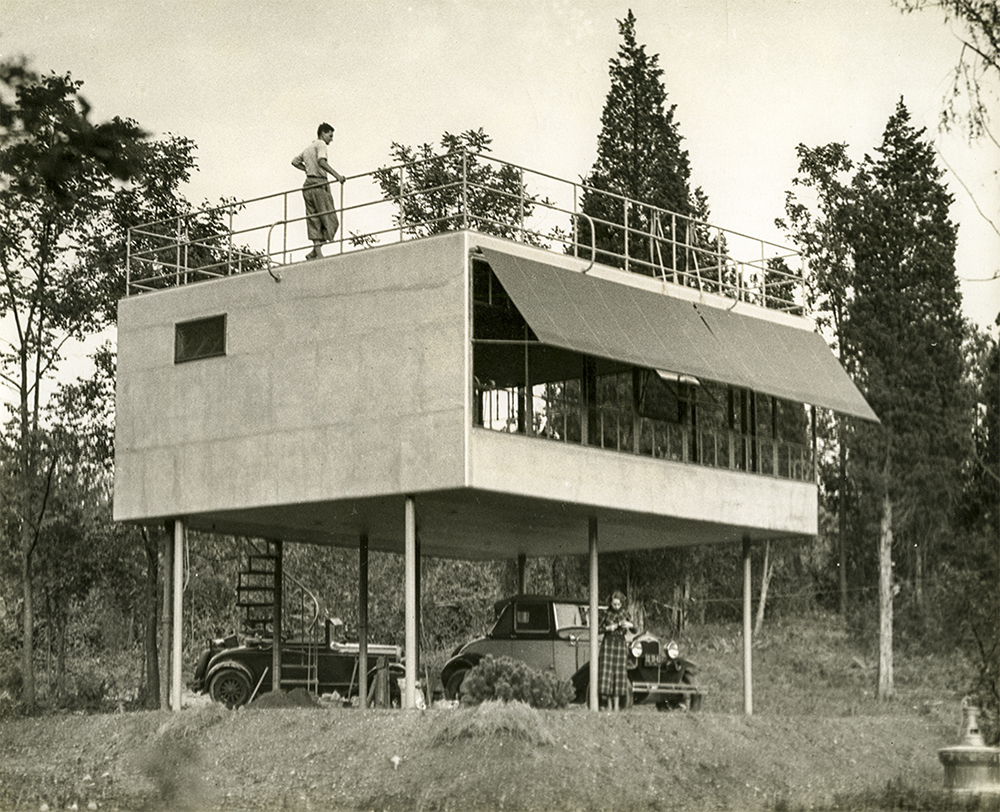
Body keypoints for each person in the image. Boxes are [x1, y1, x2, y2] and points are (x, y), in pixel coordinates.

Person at [291, 122, 346, 260]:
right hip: (319, 184)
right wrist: (337, 176)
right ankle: (318, 253)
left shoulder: (308, 147)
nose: (331, 139)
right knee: (330, 219)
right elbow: (322, 161)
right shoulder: (320, 144)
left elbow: (295, 161)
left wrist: (308, 170)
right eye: (330, 135)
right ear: (323, 133)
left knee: (314, 219)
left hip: (308, 185)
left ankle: (315, 252)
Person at [598, 590, 634, 711]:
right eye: (614, 604)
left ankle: (617, 706)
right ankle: (608, 705)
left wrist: (630, 625)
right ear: (611, 603)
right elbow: (597, 629)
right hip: (608, 644)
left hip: (620, 644)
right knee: (608, 674)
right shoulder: (606, 613)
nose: (616, 607)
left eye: (618, 604)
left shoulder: (625, 613)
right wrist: (609, 627)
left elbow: (635, 629)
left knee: (619, 674)